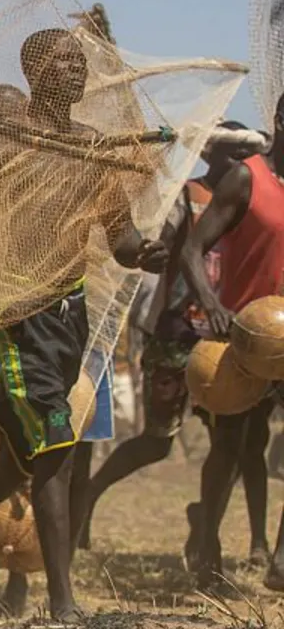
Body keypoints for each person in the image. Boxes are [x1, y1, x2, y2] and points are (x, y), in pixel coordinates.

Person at [0, 29, 164, 622]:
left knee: (20, 459)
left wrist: (147, 253)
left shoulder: (93, 148)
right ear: (32, 70)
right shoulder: (9, 143)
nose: (73, 69)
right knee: (57, 444)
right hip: (14, 315)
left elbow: (122, 240)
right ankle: (63, 602)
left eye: (78, 61)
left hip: (69, 314)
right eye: (59, 59)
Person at [77, 124, 268, 557]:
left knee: (231, 444)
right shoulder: (187, 197)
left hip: (230, 341)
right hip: (179, 332)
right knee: (158, 441)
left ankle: (207, 540)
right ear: (211, 155)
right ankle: (89, 494)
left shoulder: (257, 202)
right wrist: (155, 255)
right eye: (232, 153)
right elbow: (162, 254)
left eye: (246, 154)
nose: (241, 162)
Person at [180, 95, 284, 591]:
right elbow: (192, 250)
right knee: (228, 446)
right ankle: (206, 543)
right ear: (280, 121)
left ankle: (281, 560)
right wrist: (213, 305)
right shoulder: (246, 178)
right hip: (240, 339)